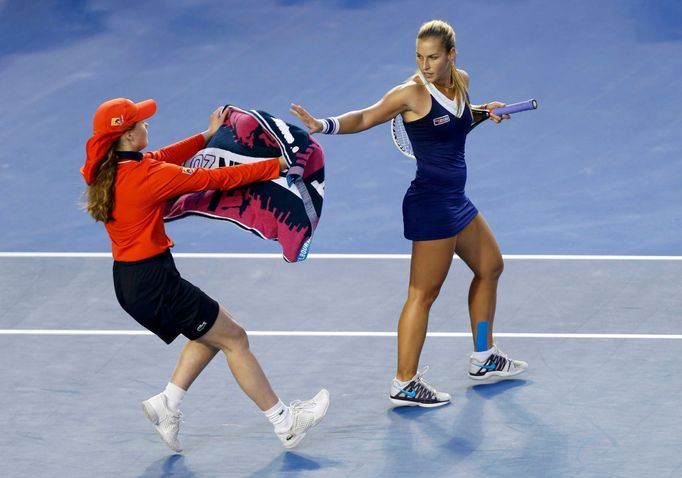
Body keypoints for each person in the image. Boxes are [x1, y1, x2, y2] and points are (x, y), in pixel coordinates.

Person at [290, 19, 527, 408]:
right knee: (422, 295)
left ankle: (484, 357)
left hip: (456, 201)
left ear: (452, 56)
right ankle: (404, 382)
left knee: (490, 266)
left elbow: (457, 122)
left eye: (433, 57)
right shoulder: (411, 93)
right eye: (419, 56)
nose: (425, 64)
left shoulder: (461, 82)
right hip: (430, 204)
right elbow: (366, 116)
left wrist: (485, 112)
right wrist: (323, 125)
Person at [81, 97, 329, 451]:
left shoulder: (114, 168)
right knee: (235, 339)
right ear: (128, 135)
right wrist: (274, 165)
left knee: (211, 332)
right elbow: (217, 178)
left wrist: (206, 136)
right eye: (141, 122)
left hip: (133, 280)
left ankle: (167, 403)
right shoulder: (147, 177)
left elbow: (163, 156)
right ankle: (286, 423)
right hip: (155, 283)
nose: (147, 125)